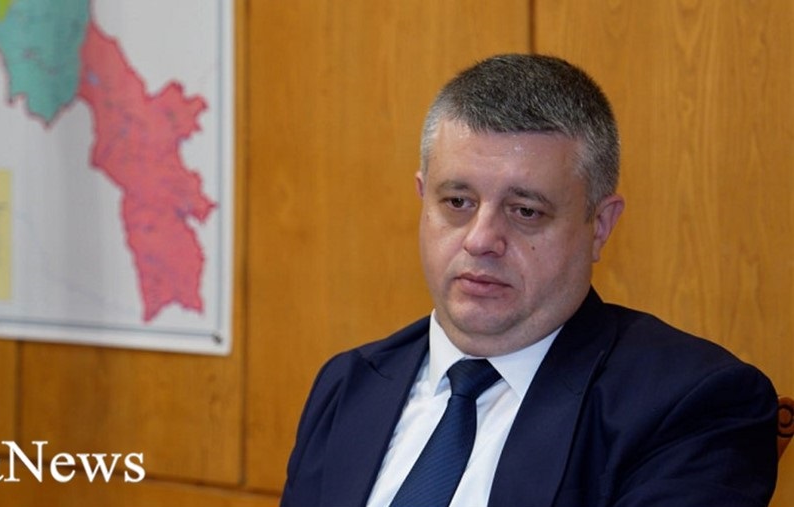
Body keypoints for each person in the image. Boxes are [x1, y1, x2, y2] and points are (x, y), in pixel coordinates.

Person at [280, 54, 778, 507]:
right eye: (457, 202)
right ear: (422, 198)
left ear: (600, 226)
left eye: (525, 211)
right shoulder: (347, 386)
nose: (481, 239)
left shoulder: (692, 406)